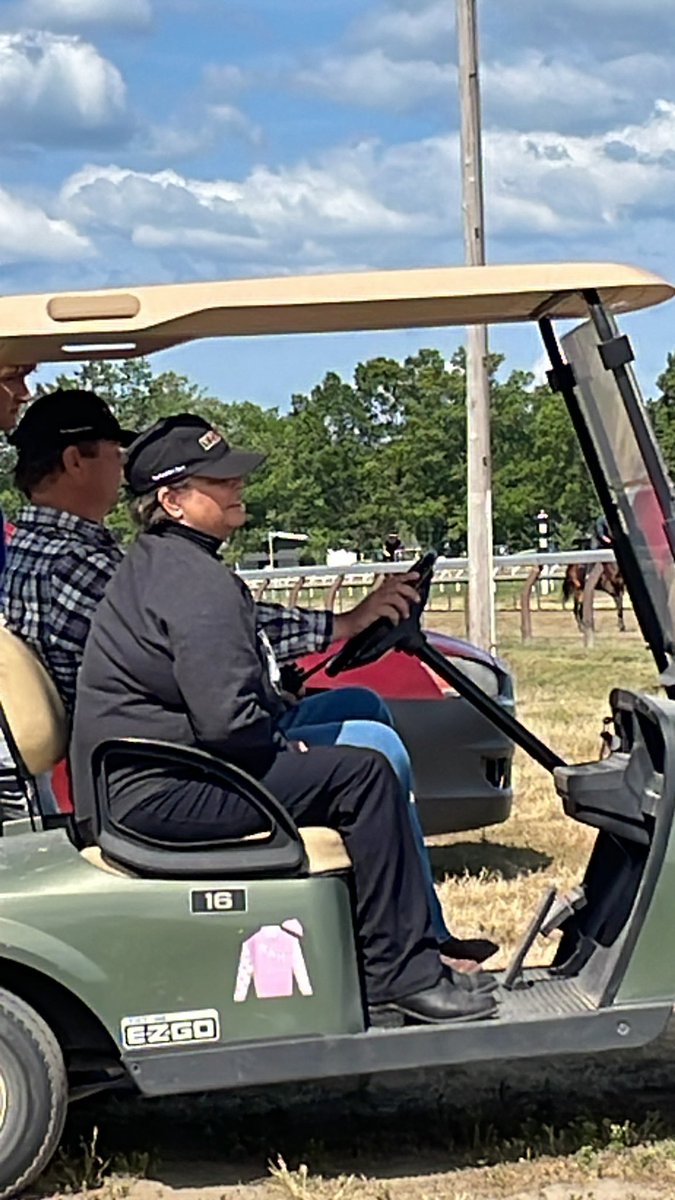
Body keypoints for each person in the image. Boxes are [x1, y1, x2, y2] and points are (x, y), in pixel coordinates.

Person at [4, 401, 493, 968]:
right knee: (368, 754)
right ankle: (399, 953)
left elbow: (205, 640)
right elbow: (204, 645)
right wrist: (339, 629)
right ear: (75, 461)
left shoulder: (81, 552)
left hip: (160, 742)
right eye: (115, 455)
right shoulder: (75, 562)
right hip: (163, 761)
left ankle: (412, 928)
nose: (121, 468)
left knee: (360, 709)